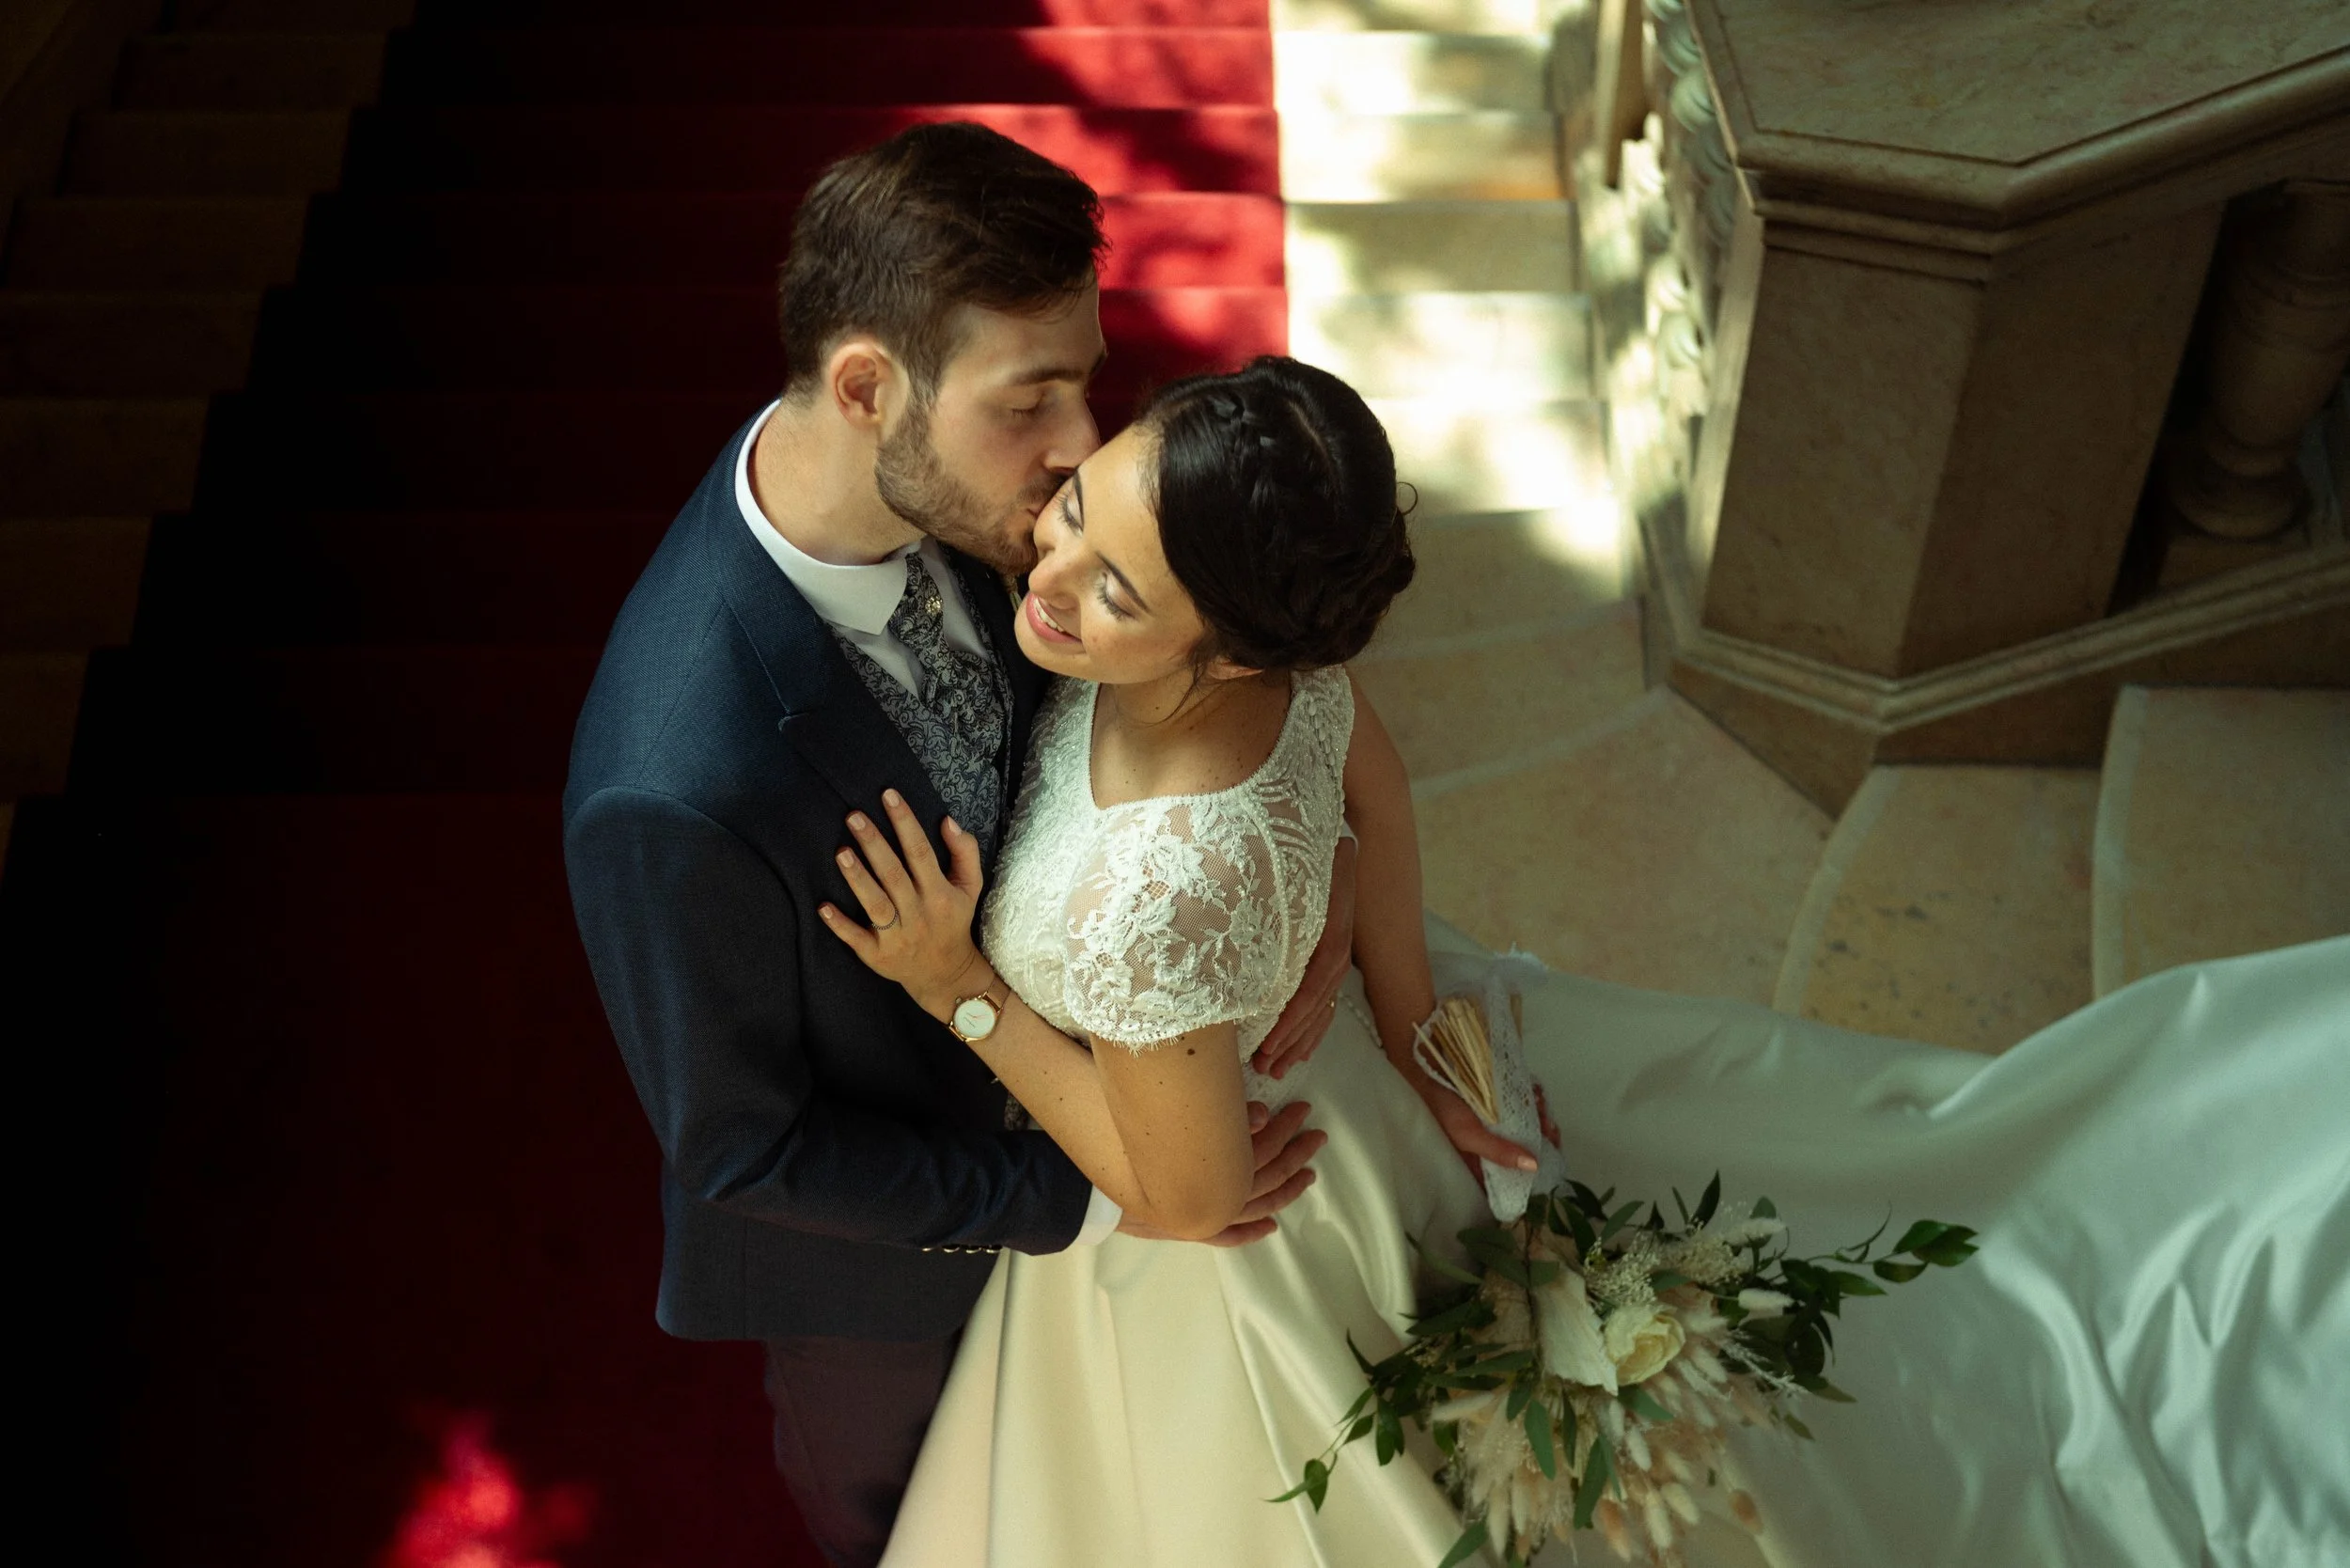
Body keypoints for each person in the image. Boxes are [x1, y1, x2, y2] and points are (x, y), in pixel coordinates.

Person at [825, 354, 2350, 1567]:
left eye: (1118, 590)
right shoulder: (1280, 662)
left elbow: (1195, 1198)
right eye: (1084, 506)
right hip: (1348, 1089)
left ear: (1227, 650)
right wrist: (1411, 1019)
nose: (1054, 569)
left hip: (1237, 1232)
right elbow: (1369, 784)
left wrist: (957, 980)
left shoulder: (1164, 885)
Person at [561, 125, 1373, 1568]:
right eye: (1035, 397)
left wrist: (1320, 868)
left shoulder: (1005, 518)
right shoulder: (674, 787)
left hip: (1126, 1091)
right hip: (896, 1292)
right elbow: (747, 1150)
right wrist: (1101, 1188)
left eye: (1086, 374)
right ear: (870, 389)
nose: (1084, 444)